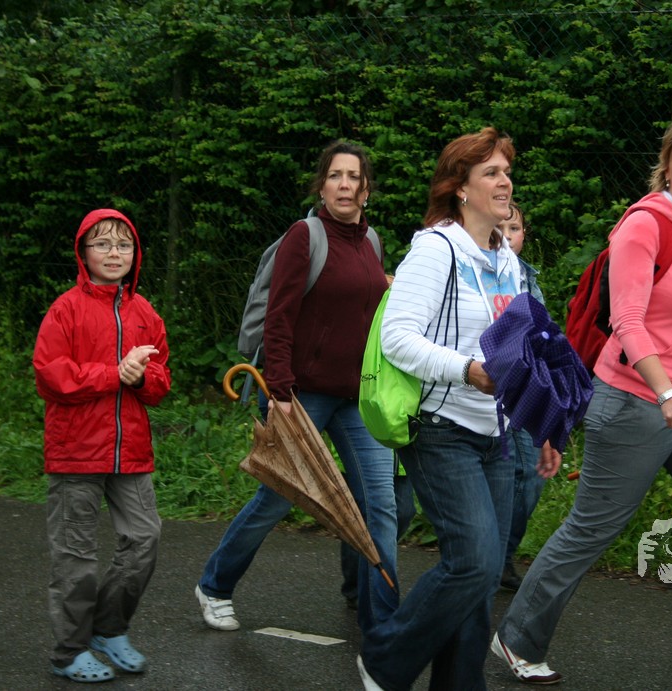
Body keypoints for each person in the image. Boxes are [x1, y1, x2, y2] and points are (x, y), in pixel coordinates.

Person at [492, 115, 672, 690]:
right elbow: (627, 321)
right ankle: (518, 636)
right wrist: (666, 390)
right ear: (666, 167)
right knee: (591, 529)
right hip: (634, 401)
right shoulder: (644, 226)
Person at [356, 127, 562, 691]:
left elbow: (522, 350)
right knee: (472, 561)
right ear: (461, 188)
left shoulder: (506, 260)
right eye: (491, 172)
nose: (505, 181)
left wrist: (543, 421)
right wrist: (466, 369)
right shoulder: (435, 249)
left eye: (507, 171)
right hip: (440, 428)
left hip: (496, 434)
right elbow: (398, 338)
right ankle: (385, 658)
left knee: (484, 573)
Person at [195, 140, 399, 637]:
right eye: (335, 176)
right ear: (321, 186)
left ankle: (383, 619)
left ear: (366, 190)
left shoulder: (371, 243)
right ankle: (215, 586)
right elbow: (279, 319)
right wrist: (280, 393)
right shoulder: (304, 237)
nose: (344, 185)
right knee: (278, 498)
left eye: (354, 177)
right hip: (301, 395)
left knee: (380, 502)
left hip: (356, 398)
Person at [33, 209, 172, 682]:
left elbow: (160, 382)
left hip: (129, 452)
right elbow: (52, 377)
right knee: (77, 558)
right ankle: (69, 651)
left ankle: (109, 629)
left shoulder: (145, 312)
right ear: (83, 252)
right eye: (103, 244)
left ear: (135, 254)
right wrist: (116, 373)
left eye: (123, 245)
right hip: (74, 452)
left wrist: (140, 378)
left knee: (145, 540)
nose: (114, 253)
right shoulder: (65, 309)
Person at [497, 201, 548, 591]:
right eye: (499, 229)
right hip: (488, 392)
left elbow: (544, 340)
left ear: (524, 235)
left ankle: (503, 554)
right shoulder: (476, 272)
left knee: (532, 477)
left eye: (513, 229)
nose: (507, 237)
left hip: (527, 393)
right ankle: (489, 556)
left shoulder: (530, 281)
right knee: (502, 476)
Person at [340, 460, 415, 609]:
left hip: (402, 460)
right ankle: (356, 589)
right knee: (361, 520)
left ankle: (371, 582)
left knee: (404, 512)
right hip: (364, 457)